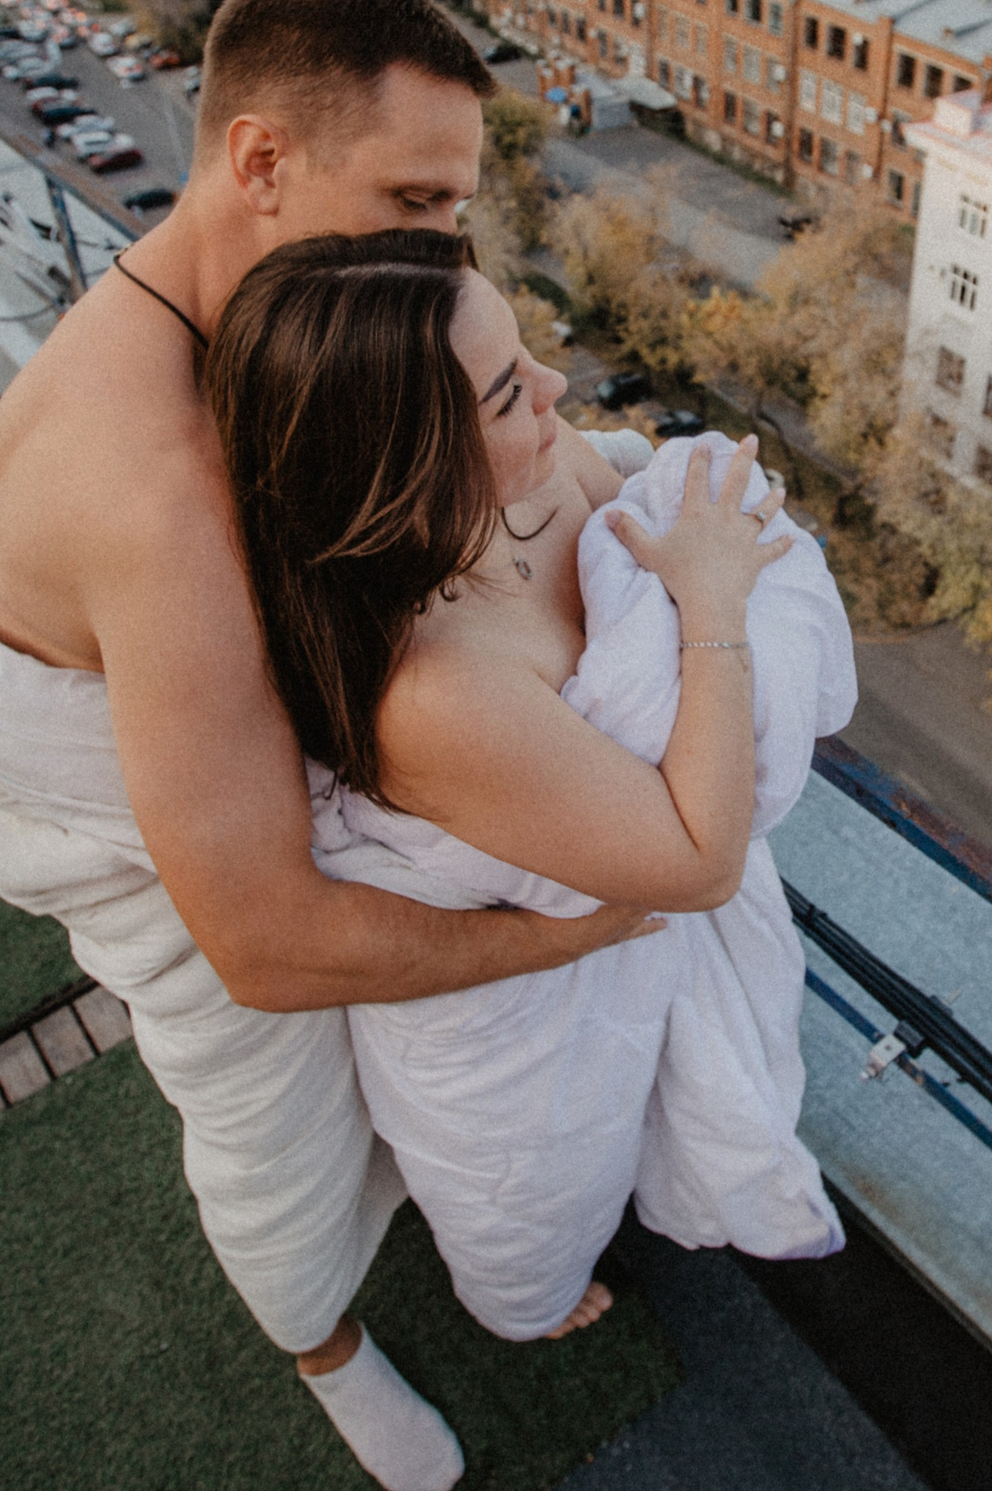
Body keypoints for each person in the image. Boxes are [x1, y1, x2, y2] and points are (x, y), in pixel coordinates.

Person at [0, 0, 651, 1491]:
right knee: (277, 1154)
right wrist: (579, 929)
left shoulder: (229, 298)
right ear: (260, 162)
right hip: (192, 887)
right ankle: (322, 1350)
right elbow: (264, 947)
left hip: (211, 770)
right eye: (421, 202)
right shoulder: (161, 494)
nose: (452, 244)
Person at [206, 231, 852, 1342]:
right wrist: (715, 604)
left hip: (618, 924)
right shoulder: (435, 690)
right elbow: (698, 862)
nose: (559, 393)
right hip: (511, 1024)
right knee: (531, 1193)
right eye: (511, 390)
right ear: (404, 464)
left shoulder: (540, 468)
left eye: (526, 355)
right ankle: (522, 1308)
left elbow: (641, 531)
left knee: (610, 1134)